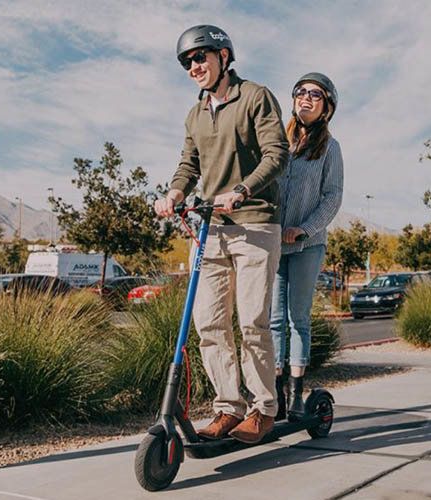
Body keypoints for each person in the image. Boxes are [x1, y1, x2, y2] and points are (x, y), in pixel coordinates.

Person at [155, 25, 289, 443]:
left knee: (251, 320)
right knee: (209, 323)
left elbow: (277, 154)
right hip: (211, 228)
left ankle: (264, 408)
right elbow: (189, 164)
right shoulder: (195, 114)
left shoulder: (255, 96)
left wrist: (243, 190)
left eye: (201, 57)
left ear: (224, 57)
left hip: (254, 222)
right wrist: (175, 191)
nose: (194, 66)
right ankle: (227, 407)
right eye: (187, 62)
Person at [270, 73, 343, 421]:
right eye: (300, 92)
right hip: (271, 244)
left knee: (297, 319)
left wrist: (304, 228)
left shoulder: (330, 148)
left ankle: (298, 394)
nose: (306, 98)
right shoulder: (277, 142)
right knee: (272, 321)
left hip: (307, 245)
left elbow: (333, 196)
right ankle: (276, 394)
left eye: (315, 95)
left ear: (327, 106)